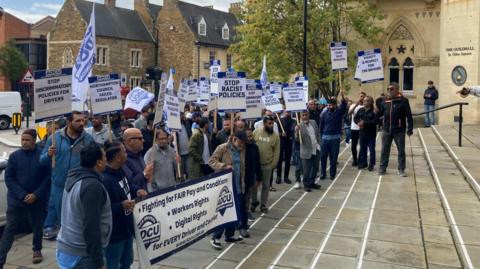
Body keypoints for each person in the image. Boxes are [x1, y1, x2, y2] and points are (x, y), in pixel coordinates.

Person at [40, 111, 95, 239]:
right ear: (69, 122)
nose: (82, 123)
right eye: (78, 121)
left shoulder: (88, 139)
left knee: (78, 217)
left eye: (83, 120)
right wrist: (48, 154)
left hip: (79, 185)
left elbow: (93, 162)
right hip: (59, 186)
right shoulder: (54, 138)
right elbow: (41, 161)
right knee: (62, 217)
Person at [56, 144, 112, 269]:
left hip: (68, 248)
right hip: (83, 254)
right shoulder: (92, 186)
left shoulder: (75, 177)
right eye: (104, 157)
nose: (106, 160)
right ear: (98, 162)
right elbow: (91, 226)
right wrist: (98, 261)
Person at [0, 129, 50, 267]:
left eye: (27, 140)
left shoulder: (42, 156)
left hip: (36, 199)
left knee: (37, 225)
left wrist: (36, 194)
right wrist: (22, 195)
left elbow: (47, 177)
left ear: (34, 140)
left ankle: (37, 249)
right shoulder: (15, 157)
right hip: (17, 200)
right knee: (9, 230)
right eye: (22, 140)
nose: (24, 142)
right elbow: (9, 178)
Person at [209, 131, 247, 249]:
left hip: (238, 184)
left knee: (234, 212)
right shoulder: (223, 148)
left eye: (243, 143)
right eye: (240, 142)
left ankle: (229, 235)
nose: (241, 145)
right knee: (223, 211)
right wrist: (224, 166)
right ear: (234, 139)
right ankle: (215, 237)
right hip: (225, 186)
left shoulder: (241, 149)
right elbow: (212, 162)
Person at [102, 141, 135, 269]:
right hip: (114, 235)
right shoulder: (105, 180)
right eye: (124, 152)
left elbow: (128, 187)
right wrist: (121, 206)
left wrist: (136, 190)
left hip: (126, 229)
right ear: (117, 157)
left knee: (127, 261)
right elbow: (102, 209)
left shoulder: (120, 171)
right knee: (113, 264)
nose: (126, 155)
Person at [378, 82, 413, 177]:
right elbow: (380, 113)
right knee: (384, 150)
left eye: (391, 89)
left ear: (397, 90)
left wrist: (410, 128)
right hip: (386, 130)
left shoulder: (403, 101)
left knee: (401, 150)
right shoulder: (385, 101)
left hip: (399, 130)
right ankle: (382, 168)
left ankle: (401, 169)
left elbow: (409, 116)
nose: (389, 91)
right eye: (388, 89)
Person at [252, 116, 280, 213]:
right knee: (254, 185)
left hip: (267, 165)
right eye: (269, 123)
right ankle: (254, 202)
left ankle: (263, 205)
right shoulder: (256, 132)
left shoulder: (275, 136)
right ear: (264, 123)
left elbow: (277, 151)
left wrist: (273, 164)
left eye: (272, 124)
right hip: (255, 165)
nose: (271, 125)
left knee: (266, 185)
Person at [319, 90, 347, 180]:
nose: (328, 107)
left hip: (335, 139)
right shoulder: (324, 114)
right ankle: (323, 173)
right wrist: (321, 137)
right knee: (323, 157)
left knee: (333, 158)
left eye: (330, 105)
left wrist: (342, 97)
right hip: (325, 139)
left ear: (335, 105)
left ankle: (332, 173)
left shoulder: (338, 113)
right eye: (328, 105)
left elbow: (344, 106)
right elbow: (321, 126)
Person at [295, 112, 321, 192]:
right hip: (306, 151)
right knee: (306, 170)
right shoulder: (299, 126)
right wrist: (296, 132)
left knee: (315, 168)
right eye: (303, 115)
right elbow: (297, 140)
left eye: (306, 115)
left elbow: (318, 134)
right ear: (301, 116)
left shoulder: (313, 122)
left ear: (309, 115)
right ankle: (306, 185)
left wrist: (319, 143)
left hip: (316, 149)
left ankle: (312, 182)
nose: (305, 116)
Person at [121, 128, 149, 198]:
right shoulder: (123, 159)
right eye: (140, 138)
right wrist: (144, 174)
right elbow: (129, 183)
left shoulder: (139, 154)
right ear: (130, 141)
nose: (143, 140)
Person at [354, 96, 378, 171]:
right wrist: (358, 122)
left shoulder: (374, 111)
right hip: (362, 133)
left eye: (367, 101)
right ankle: (363, 163)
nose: (364, 102)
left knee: (371, 149)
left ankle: (371, 164)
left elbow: (376, 121)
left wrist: (364, 122)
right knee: (362, 149)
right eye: (364, 100)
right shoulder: (361, 110)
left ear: (371, 102)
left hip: (371, 133)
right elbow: (355, 118)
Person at [245, 128, 262, 220]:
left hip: (252, 174)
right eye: (248, 136)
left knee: (248, 195)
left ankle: (247, 212)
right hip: (243, 175)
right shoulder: (242, 148)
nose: (250, 138)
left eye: (251, 136)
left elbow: (257, 162)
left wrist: (259, 177)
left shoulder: (255, 147)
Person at [276, 111, 295, 184]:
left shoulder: (294, 121)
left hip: (289, 142)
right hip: (281, 142)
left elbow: (293, 132)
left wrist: (291, 135)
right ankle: (278, 176)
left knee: (288, 161)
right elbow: (276, 132)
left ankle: (286, 177)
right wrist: (281, 134)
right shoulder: (280, 120)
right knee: (279, 160)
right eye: (286, 112)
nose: (288, 113)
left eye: (289, 112)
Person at [348, 92, 366, 166]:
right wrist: (356, 104)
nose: (361, 98)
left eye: (363, 97)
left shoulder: (365, 106)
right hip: (354, 128)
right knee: (353, 145)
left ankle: (359, 159)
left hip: (362, 129)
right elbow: (349, 113)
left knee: (362, 145)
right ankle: (354, 159)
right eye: (360, 96)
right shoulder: (353, 105)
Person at [178, 114, 192, 179]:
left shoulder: (186, 124)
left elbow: (190, 135)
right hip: (179, 155)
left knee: (189, 171)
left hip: (188, 153)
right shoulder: (173, 128)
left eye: (181, 114)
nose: (181, 116)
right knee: (180, 173)